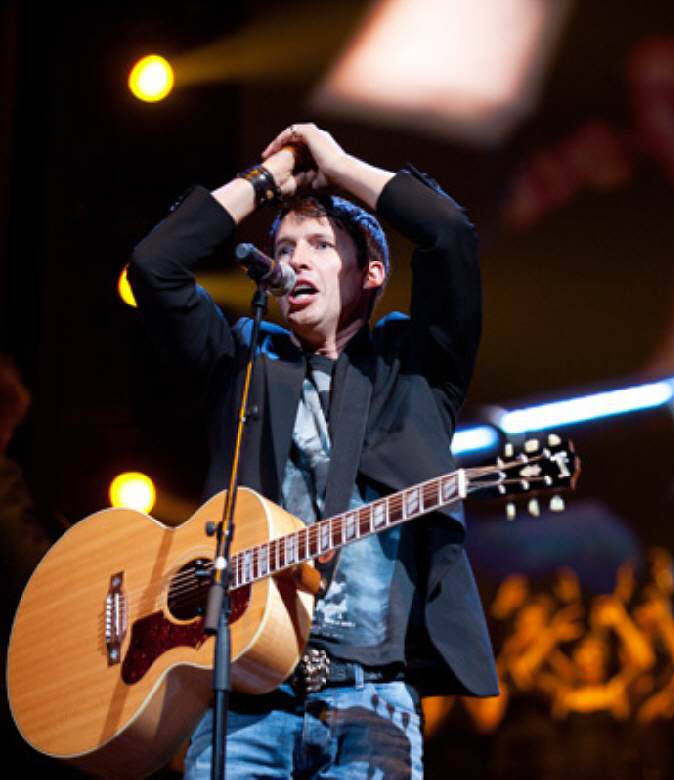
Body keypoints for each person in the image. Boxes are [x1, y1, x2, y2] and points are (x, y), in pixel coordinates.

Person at [127, 122, 497, 778]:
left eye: (320, 245)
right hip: (245, 699)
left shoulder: (416, 367)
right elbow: (155, 267)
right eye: (283, 247)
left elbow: (449, 234)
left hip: (373, 706)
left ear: (371, 273)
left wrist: (337, 164)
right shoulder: (243, 359)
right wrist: (267, 181)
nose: (295, 259)